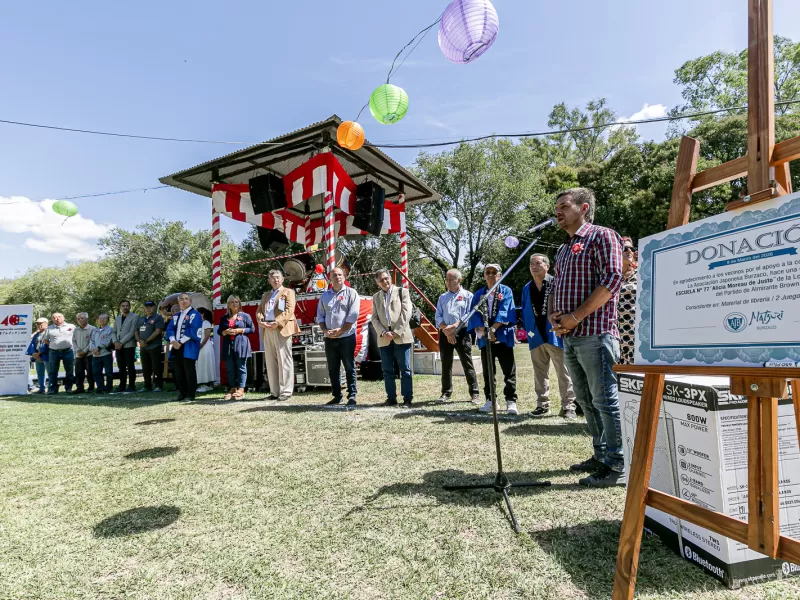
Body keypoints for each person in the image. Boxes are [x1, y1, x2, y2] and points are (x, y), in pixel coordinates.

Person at [550, 187, 625, 487]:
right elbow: (557, 287)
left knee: (605, 399)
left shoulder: (603, 236)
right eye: (556, 207)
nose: (558, 211)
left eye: (564, 206)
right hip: (570, 336)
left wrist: (576, 316)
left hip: (596, 333)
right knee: (585, 399)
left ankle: (618, 464)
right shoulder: (563, 248)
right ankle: (601, 453)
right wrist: (556, 316)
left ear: (583, 208)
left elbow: (612, 279)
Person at [521, 254, 577, 420]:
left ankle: (568, 406)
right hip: (536, 336)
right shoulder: (527, 288)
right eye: (531, 264)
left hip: (555, 335)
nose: (534, 266)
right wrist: (529, 332)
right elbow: (524, 312)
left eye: (537, 263)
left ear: (547, 266)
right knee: (539, 373)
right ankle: (542, 404)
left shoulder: (556, 283)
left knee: (563, 372)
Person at [469, 264, 518, 415]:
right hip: (486, 338)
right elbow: (474, 314)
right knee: (488, 371)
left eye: (494, 272)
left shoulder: (506, 291)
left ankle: (511, 401)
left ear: (500, 275)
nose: (490, 275)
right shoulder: (479, 294)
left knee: (508, 370)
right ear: (484, 275)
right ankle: (491, 400)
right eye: (487, 272)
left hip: (502, 335)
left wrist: (494, 329)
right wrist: (485, 331)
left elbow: (505, 311)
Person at [434, 269, 480, 404]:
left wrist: (454, 327)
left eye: (450, 279)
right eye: (446, 279)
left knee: (467, 363)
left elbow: (469, 314)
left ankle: (475, 393)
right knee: (446, 363)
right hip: (445, 333)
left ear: (458, 280)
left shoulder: (468, 296)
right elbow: (438, 316)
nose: (447, 282)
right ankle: (446, 393)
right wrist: (447, 330)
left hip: (462, 333)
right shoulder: (442, 297)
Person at [315, 267, 360, 406]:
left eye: (340, 274)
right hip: (330, 338)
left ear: (344, 276)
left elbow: (353, 315)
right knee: (333, 368)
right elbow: (320, 316)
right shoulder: (325, 296)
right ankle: (337, 395)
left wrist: (340, 330)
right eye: (334, 275)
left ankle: (352, 396)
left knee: (349, 366)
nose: (337, 277)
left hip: (346, 337)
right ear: (330, 278)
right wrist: (325, 331)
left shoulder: (352, 293)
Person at [371, 269, 414, 407]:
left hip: (401, 336)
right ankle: (391, 398)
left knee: (405, 369)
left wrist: (396, 332)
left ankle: (407, 398)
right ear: (377, 283)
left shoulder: (403, 292)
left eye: (386, 278)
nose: (385, 282)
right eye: (381, 280)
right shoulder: (376, 297)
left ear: (390, 278)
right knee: (387, 370)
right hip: (384, 338)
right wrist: (384, 333)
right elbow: (374, 318)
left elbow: (406, 313)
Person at [257, 270, 299, 401]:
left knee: (284, 360)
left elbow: (289, 310)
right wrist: (261, 321)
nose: (275, 280)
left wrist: (277, 322)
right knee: (270, 361)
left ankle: (286, 391)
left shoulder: (288, 292)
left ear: (282, 280)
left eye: (278, 278)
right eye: (273, 278)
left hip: (281, 328)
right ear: (269, 280)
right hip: (267, 329)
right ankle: (274, 391)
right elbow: (259, 311)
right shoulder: (265, 295)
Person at [165, 293, 203, 402]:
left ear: (190, 301)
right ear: (178, 302)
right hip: (176, 347)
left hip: (188, 347)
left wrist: (180, 342)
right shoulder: (176, 315)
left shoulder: (195, 314)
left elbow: (193, 330)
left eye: (186, 299)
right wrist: (173, 340)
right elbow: (170, 329)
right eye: (181, 299)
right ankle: (182, 393)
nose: (184, 301)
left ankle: (190, 394)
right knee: (178, 371)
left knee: (189, 371)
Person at [220, 295, 255, 400]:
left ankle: (241, 389)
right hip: (228, 345)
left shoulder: (245, 316)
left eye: (236, 302)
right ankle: (232, 388)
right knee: (230, 368)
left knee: (241, 366)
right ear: (228, 305)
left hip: (241, 343)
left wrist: (240, 330)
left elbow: (252, 329)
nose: (234, 304)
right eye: (232, 302)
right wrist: (225, 331)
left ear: (239, 304)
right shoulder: (224, 318)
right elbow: (219, 331)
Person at [42, 312, 76, 394]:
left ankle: (68, 388)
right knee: (53, 371)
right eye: (55, 317)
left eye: (59, 317)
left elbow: (76, 337)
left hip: (68, 351)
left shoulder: (71, 326)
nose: (57, 319)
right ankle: (53, 388)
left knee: (69, 370)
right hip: (54, 352)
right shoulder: (49, 328)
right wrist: (53, 345)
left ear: (63, 317)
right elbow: (45, 340)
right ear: (52, 319)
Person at [135, 300, 165, 392]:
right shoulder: (141, 319)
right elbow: (136, 331)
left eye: (151, 306)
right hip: (143, 347)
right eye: (147, 307)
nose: (149, 308)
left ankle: (158, 385)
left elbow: (158, 331)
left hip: (154, 346)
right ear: (144, 308)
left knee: (156, 366)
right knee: (145, 367)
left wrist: (146, 341)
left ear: (154, 307)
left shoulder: (158, 317)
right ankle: (147, 385)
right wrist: (139, 341)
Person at [618, 237, 638, 366]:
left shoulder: (641, 274)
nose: (629, 251)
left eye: (631, 248)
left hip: (635, 334)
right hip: (613, 335)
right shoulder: (609, 276)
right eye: (625, 248)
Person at [112, 300, 139, 393]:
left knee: (130, 366)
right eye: (123, 306)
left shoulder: (134, 317)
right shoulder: (118, 318)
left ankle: (132, 385)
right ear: (120, 307)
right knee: (121, 367)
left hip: (129, 345)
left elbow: (132, 332)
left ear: (130, 307)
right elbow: (114, 331)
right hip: (118, 346)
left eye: (127, 305)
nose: (125, 307)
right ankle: (122, 385)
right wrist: (115, 342)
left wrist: (121, 343)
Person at [89, 314, 115, 394]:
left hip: (106, 354)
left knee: (108, 372)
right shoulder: (95, 330)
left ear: (107, 320)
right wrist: (93, 349)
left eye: (104, 318)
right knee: (96, 372)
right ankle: (100, 387)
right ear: (97, 320)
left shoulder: (110, 330)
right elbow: (91, 341)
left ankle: (108, 387)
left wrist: (99, 348)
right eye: (100, 318)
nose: (102, 320)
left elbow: (108, 341)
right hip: (96, 355)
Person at [72, 312, 96, 394]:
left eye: (82, 318)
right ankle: (79, 388)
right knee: (78, 372)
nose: (80, 320)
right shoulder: (76, 329)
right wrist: (78, 350)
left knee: (90, 372)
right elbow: (73, 341)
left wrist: (85, 351)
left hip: (89, 354)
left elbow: (92, 341)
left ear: (86, 319)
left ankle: (91, 387)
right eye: (78, 318)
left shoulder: (92, 329)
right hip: (78, 355)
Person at [195, 307, 217, 393]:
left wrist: (202, 344)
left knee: (205, 364)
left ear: (202, 314)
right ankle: (202, 383)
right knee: (200, 364)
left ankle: (207, 384)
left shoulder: (206, 323)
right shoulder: (199, 323)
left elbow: (207, 335)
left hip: (205, 347)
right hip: (199, 347)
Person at [26, 317, 49, 393]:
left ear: (46, 324)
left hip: (47, 355)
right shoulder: (36, 335)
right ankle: (42, 388)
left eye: (40, 323)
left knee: (50, 373)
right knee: (40, 373)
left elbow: (47, 345)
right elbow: (32, 344)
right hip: (37, 357)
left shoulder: (49, 333)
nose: (38, 325)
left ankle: (51, 388)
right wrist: (34, 354)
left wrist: (38, 354)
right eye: (37, 324)